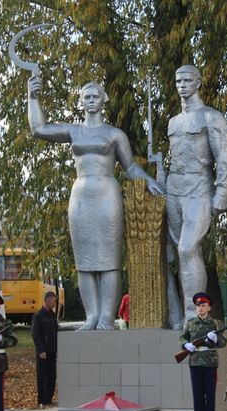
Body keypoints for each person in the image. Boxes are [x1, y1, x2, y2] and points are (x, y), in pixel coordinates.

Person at [28, 77, 164, 330]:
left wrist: (148, 181)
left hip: (106, 195)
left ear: (104, 101)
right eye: (86, 97)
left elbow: (130, 167)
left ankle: (106, 317)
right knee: (85, 261)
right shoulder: (74, 131)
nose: (91, 101)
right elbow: (39, 129)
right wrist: (32, 97)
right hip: (81, 196)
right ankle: (91, 316)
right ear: (81, 102)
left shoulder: (114, 134)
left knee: (109, 259)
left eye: (95, 96)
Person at [165, 64, 227, 328]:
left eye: (187, 80)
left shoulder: (211, 117)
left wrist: (222, 194)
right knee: (178, 253)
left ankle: (195, 314)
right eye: (178, 80)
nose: (182, 85)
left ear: (198, 82)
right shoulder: (173, 122)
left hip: (199, 187)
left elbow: (225, 157)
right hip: (174, 188)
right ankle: (185, 315)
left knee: (188, 248)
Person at [179, 292, 227, 411]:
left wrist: (215, 339)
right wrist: (186, 345)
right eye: (198, 306)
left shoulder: (216, 323)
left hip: (210, 362)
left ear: (209, 308)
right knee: (197, 394)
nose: (200, 308)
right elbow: (183, 338)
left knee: (210, 394)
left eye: (203, 305)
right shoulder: (190, 323)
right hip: (195, 362)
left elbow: (223, 342)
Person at [32, 291, 59, 409]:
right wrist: (40, 350)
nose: (54, 304)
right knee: (42, 376)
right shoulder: (38, 316)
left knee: (52, 376)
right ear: (47, 300)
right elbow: (35, 334)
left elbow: (55, 332)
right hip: (43, 352)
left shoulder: (52, 315)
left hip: (52, 351)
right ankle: (42, 400)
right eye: (53, 301)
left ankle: (49, 398)